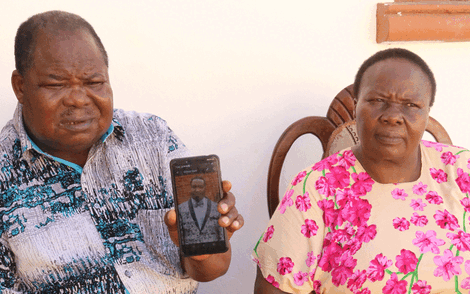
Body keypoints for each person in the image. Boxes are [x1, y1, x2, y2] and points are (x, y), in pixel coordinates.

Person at [0, 10, 243, 294]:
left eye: (94, 83)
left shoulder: (154, 138)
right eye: (56, 84)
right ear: (20, 86)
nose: (79, 99)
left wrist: (203, 253)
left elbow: (210, 270)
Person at [253, 48, 470, 293]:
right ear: (356, 107)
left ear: (427, 113)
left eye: (410, 105)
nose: (393, 116)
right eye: (378, 101)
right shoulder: (315, 189)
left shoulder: (462, 170)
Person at [178, 177, 224, 245]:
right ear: (190, 188)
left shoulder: (216, 207)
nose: (197, 190)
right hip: (191, 250)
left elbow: (221, 233)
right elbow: (181, 236)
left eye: (200, 187)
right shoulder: (181, 208)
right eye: (194, 187)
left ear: (205, 188)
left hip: (213, 248)